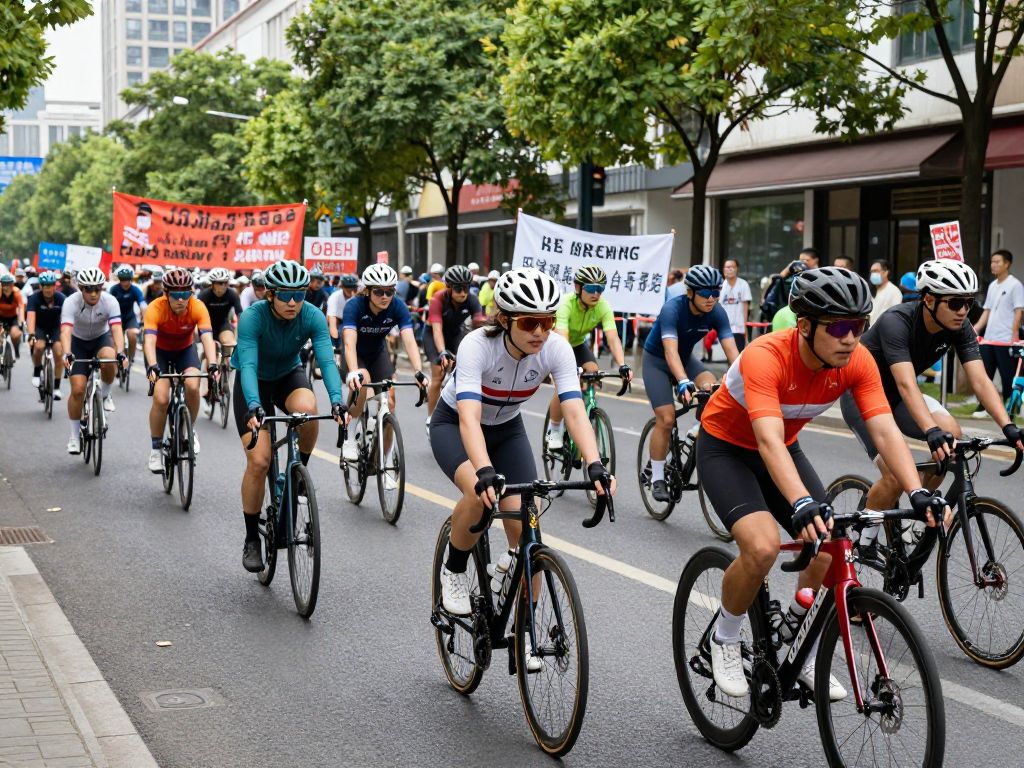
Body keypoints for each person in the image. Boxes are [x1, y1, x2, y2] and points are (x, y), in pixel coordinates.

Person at [699, 267, 949, 701]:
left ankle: (801, 641)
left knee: (831, 543)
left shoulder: (857, 360)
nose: (851, 338)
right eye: (839, 327)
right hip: (728, 450)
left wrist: (918, 491)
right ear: (804, 325)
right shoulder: (766, 356)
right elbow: (767, 439)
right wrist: (799, 501)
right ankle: (723, 637)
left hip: (783, 447)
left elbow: (886, 431)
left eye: (859, 326)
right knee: (762, 546)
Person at [432, 268, 615, 640]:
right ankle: (453, 569)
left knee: (528, 530)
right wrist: (483, 469)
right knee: (479, 495)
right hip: (455, 423)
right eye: (530, 322)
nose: (540, 332)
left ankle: (524, 628)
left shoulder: (556, 349)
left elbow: (575, 410)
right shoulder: (477, 345)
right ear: (504, 319)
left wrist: (596, 464)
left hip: (507, 429)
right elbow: (468, 416)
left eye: (547, 321)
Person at [841, 259, 1024, 521]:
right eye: (954, 303)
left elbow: (981, 381)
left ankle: (922, 514)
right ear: (928, 299)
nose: (963, 311)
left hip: (898, 397)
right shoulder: (897, 322)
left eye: (968, 303)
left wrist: (1008, 426)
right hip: (862, 397)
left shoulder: (959, 328)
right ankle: (864, 540)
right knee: (894, 477)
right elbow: (906, 384)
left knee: (951, 440)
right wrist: (930, 430)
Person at [233, 260, 346, 573]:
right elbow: (250, 366)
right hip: (252, 381)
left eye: (299, 293)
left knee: (309, 411)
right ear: (270, 294)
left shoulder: (311, 315)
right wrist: (255, 404)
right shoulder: (252, 317)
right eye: (285, 294)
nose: (293, 302)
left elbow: (326, 358)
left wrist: (337, 401)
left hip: (286, 375)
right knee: (259, 461)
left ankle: (296, 475)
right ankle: (252, 537)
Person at [643, 265, 740, 501]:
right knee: (666, 418)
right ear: (690, 293)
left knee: (711, 386)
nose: (711, 299)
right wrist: (683, 381)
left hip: (687, 360)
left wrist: (745, 378)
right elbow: (670, 351)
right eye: (705, 293)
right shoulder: (672, 310)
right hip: (657, 361)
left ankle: (696, 429)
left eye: (716, 293)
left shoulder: (717, 312)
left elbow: (733, 353)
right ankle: (656, 478)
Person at [340, 264, 428, 463]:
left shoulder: (397, 306)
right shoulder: (354, 306)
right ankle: (349, 435)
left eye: (389, 291)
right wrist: (353, 371)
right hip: (355, 355)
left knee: (390, 402)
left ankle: (386, 460)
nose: (385, 296)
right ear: (367, 291)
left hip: (377, 353)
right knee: (363, 380)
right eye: (379, 291)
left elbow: (409, 339)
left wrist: (418, 371)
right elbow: (349, 342)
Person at [545, 265, 633, 449]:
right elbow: (562, 336)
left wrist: (623, 365)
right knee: (564, 383)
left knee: (593, 372)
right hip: (558, 343)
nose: (596, 294)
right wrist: (568, 369)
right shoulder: (566, 303)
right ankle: (554, 428)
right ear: (578, 288)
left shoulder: (603, 306)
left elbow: (612, 337)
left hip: (578, 344)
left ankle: (585, 411)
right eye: (591, 289)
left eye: (600, 289)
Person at [143, 268, 219, 472]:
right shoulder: (155, 308)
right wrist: (152, 365)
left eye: (185, 294)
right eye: (176, 295)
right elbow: (149, 340)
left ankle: (189, 430)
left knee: (193, 386)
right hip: (159, 352)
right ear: (166, 294)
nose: (181, 300)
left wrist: (212, 364)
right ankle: (156, 449)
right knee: (161, 398)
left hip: (185, 350)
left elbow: (206, 337)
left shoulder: (197, 306)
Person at [59, 268, 128, 454]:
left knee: (109, 356)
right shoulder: (70, 302)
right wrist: (67, 353)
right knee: (78, 389)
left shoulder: (110, 301)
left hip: (100, 338)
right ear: (81, 288)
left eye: (97, 289)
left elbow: (116, 329)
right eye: (88, 289)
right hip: (78, 342)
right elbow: (65, 331)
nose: (93, 293)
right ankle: (74, 437)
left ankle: (105, 395)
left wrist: (121, 352)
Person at [425, 265, 486, 417]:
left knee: (465, 368)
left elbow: (480, 323)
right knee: (438, 376)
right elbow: (437, 330)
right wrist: (442, 352)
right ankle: (431, 418)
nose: (463, 293)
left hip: (455, 334)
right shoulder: (438, 298)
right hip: (433, 336)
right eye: (459, 289)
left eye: (467, 288)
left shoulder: (472, 299)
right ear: (450, 288)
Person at [972, 249, 1024, 416]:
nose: (993, 265)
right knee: (984, 375)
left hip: (1005, 340)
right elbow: (987, 310)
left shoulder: (1015, 285)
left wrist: (1014, 336)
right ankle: (983, 407)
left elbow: (1019, 311)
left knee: (1008, 376)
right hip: (989, 339)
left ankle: (1010, 410)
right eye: (992, 262)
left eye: (997, 262)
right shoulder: (993, 286)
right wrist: (976, 329)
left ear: (1006, 264)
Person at [25, 272, 65, 399]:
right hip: (39, 327)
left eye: (50, 286)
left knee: (59, 352)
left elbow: (66, 319)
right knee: (39, 346)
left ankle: (57, 387)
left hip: (55, 328)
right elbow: (30, 317)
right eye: (45, 286)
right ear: (41, 287)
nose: (48, 289)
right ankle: (37, 370)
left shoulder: (61, 298)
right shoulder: (34, 298)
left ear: (55, 286)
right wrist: (31, 335)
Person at [109, 266, 147, 363]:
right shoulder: (114, 289)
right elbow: (107, 305)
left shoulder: (135, 290)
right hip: (117, 318)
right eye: (122, 280)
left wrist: (146, 320)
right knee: (118, 340)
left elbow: (142, 305)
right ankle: (119, 359)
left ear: (130, 279)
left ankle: (131, 356)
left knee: (133, 333)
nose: (125, 282)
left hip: (130, 317)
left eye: (127, 280)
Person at [326, 274, 360, 366]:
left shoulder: (358, 297)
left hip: (354, 322)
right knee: (340, 331)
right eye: (347, 287)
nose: (350, 290)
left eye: (352, 287)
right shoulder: (334, 297)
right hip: (338, 321)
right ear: (342, 287)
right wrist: (336, 340)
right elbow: (332, 320)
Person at [720, 258, 752, 352]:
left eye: (732, 267)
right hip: (724, 328)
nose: (730, 269)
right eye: (727, 267)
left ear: (737, 269)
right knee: (728, 357)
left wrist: (745, 326)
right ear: (723, 269)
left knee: (738, 355)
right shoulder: (720, 286)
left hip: (739, 328)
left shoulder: (743, 284)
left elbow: (746, 308)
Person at [867, 259, 903, 325]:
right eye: (872, 272)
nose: (873, 274)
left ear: (886, 272)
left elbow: (895, 317)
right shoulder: (870, 290)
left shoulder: (894, 291)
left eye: (876, 271)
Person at [0, 274, 25, 359]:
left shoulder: (16, 293)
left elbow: (21, 307)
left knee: (15, 335)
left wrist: (21, 321)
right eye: (4, 285)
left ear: (12, 285)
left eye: (8, 285)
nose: (6, 287)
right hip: (1, 317)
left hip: (12, 317)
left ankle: (16, 347)